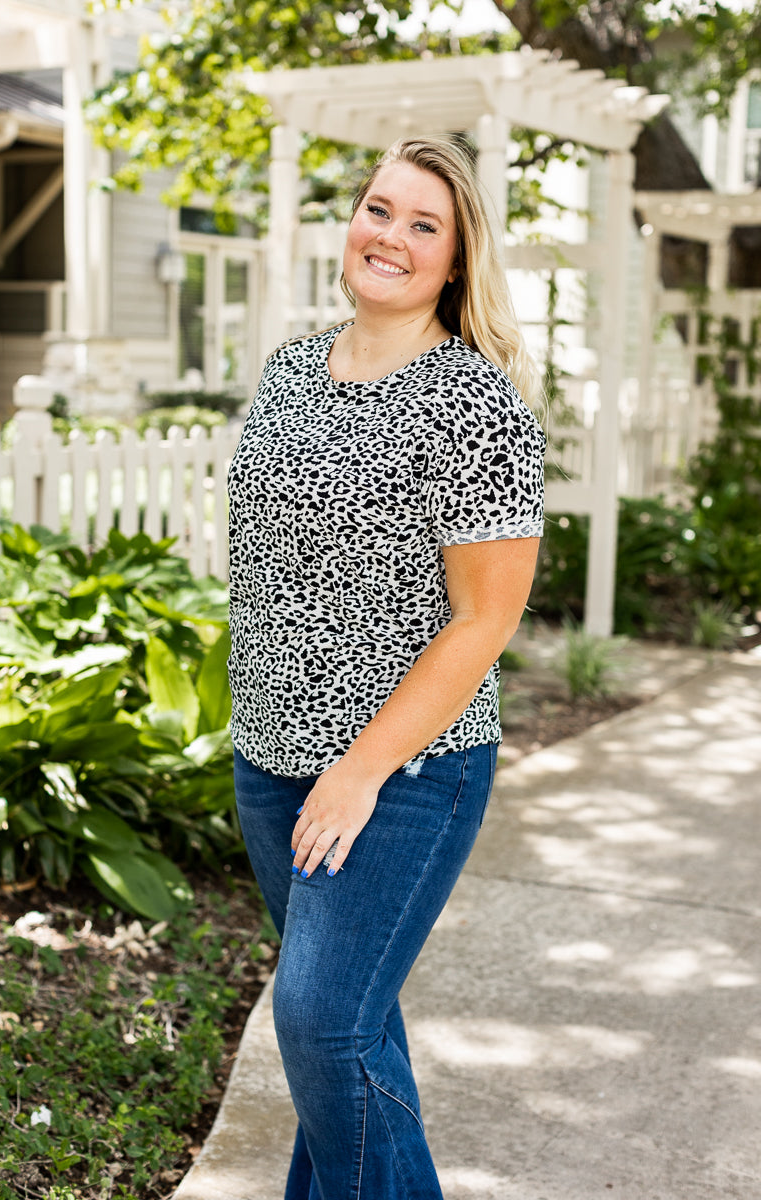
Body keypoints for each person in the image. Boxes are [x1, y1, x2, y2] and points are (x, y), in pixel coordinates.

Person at [227, 135, 546, 1200]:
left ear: (454, 262)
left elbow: (482, 620)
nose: (391, 237)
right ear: (349, 223)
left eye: (424, 225)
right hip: (269, 761)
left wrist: (356, 769)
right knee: (349, 1035)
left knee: (320, 1026)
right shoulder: (287, 370)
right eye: (378, 209)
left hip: (401, 773)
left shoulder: (475, 406)